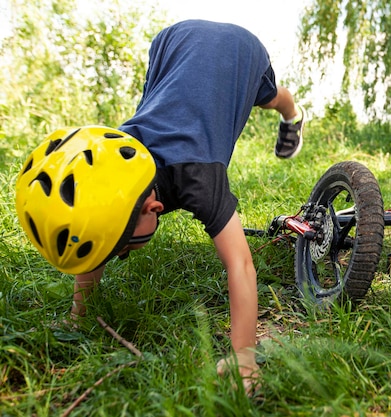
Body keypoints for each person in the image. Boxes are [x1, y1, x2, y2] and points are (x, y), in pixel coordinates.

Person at [14, 19, 305, 396]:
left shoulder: (198, 177)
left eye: (120, 248)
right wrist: (78, 315)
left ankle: (292, 114)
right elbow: (98, 219)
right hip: (172, 41)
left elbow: (241, 265)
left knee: (266, 98)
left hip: (240, 47)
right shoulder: (117, 152)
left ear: (153, 205)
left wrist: (244, 357)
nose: (119, 253)